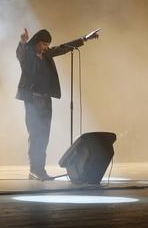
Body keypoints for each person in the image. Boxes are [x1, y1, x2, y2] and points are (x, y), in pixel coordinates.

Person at [15, 28, 96, 181]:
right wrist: (23, 41)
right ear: (37, 42)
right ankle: (34, 170)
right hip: (32, 100)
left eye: (47, 45)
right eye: (44, 44)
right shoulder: (27, 54)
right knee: (36, 135)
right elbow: (20, 54)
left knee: (44, 136)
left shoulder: (47, 54)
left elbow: (64, 48)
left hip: (46, 100)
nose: (46, 47)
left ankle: (40, 170)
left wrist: (84, 38)